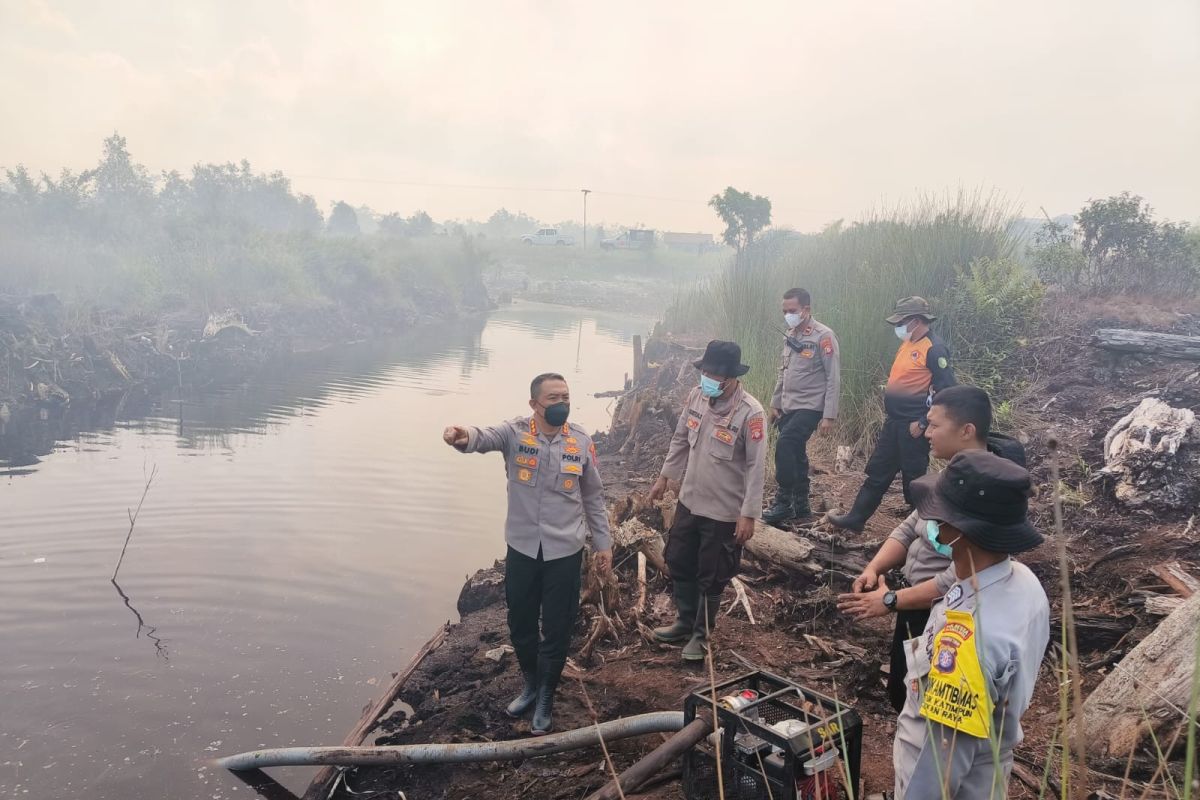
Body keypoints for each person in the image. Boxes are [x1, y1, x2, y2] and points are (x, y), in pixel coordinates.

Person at [443, 373, 612, 735]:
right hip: (522, 547)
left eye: (565, 395)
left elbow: (593, 498)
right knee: (520, 624)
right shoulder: (515, 433)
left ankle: (547, 696)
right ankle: (531, 683)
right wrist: (461, 436)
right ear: (534, 404)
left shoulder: (580, 440)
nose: (561, 403)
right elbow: (482, 437)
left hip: (565, 551)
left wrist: (604, 544)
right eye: (553, 397)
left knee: (557, 627)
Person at [836, 385, 1008, 713]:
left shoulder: (985, 492)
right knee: (904, 690)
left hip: (948, 617)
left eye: (935, 425)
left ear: (966, 430)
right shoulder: (950, 476)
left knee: (927, 701)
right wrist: (875, 568)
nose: (926, 432)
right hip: (915, 604)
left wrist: (889, 600)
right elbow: (909, 528)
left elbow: (957, 577)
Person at [892, 450, 1049, 799]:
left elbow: (940, 765)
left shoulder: (964, 644)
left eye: (937, 519)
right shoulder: (1023, 582)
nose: (932, 526)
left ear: (957, 532)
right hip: (987, 768)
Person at [647, 340, 767, 661]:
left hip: (724, 512)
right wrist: (664, 477)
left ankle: (701, 635)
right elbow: (680, 440)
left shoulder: (751, 414)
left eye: (714, 373)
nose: (708, 378)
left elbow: (757, 467)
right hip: (690, 501)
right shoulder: (696, 397)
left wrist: (749, 514)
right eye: (705, 371)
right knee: (680, 560)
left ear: (730, 377)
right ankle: (684, 622)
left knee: (712, 575)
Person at [828, 296, 956, 533]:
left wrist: (923, 421)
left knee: (914, 481)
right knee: (877, 472)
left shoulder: (934, 348)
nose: (898, 327)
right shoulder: (908, 344)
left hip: (913, 427)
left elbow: (947, 390)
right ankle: (856, 519)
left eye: (902, 321)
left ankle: (924, 531)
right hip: (894, 423)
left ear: (916, 321)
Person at [763, 287, 840, 524]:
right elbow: (783, 373)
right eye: (785, 310)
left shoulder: (823, 336)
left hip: (811, 406)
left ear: (806, 309)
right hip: (790, 405)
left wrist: (828, 416)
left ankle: (783, 502)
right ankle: (802, 507)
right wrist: (776, 403)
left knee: (786, 444)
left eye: (792, 310)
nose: (788, 314)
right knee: (796, 453)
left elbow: (833, 376)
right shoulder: (790, 335)